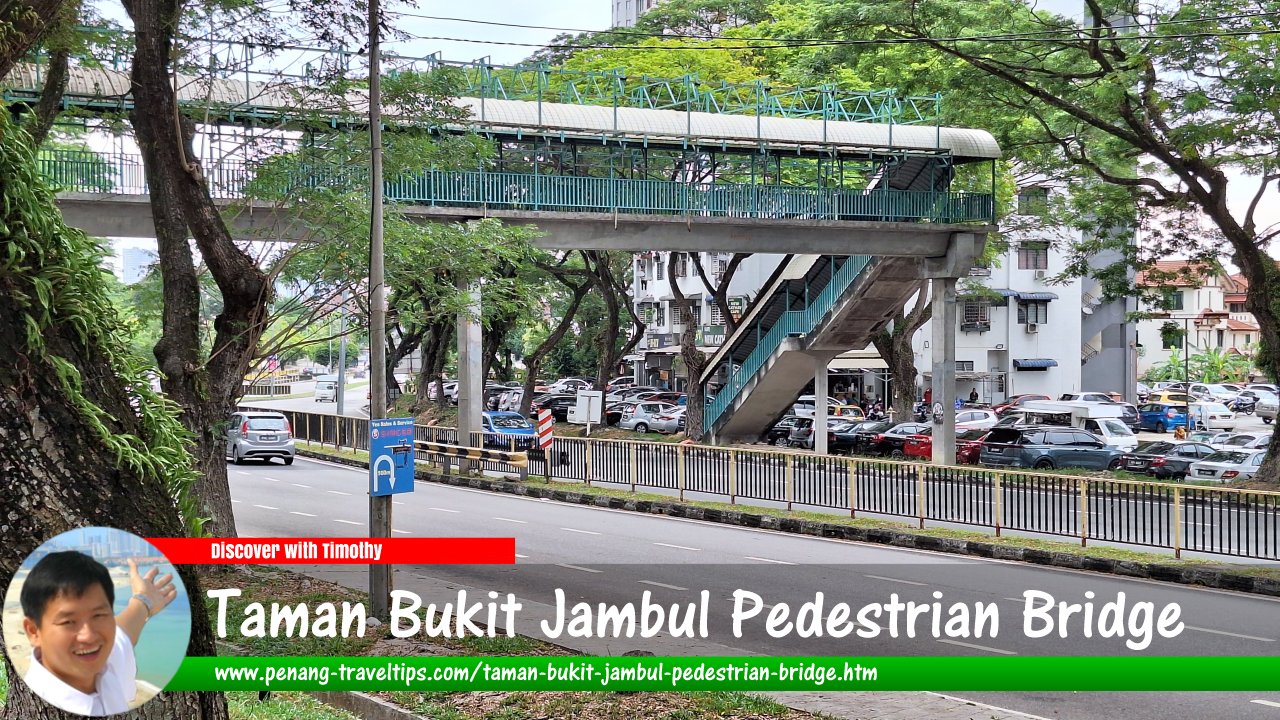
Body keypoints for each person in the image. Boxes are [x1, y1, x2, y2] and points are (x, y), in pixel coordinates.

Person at [20, 552, 177, 716]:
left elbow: (122, 635)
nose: (88, 636)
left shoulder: (103, 664)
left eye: (98, 615)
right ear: (33, 631)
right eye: (68, 622)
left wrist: (144, 600)